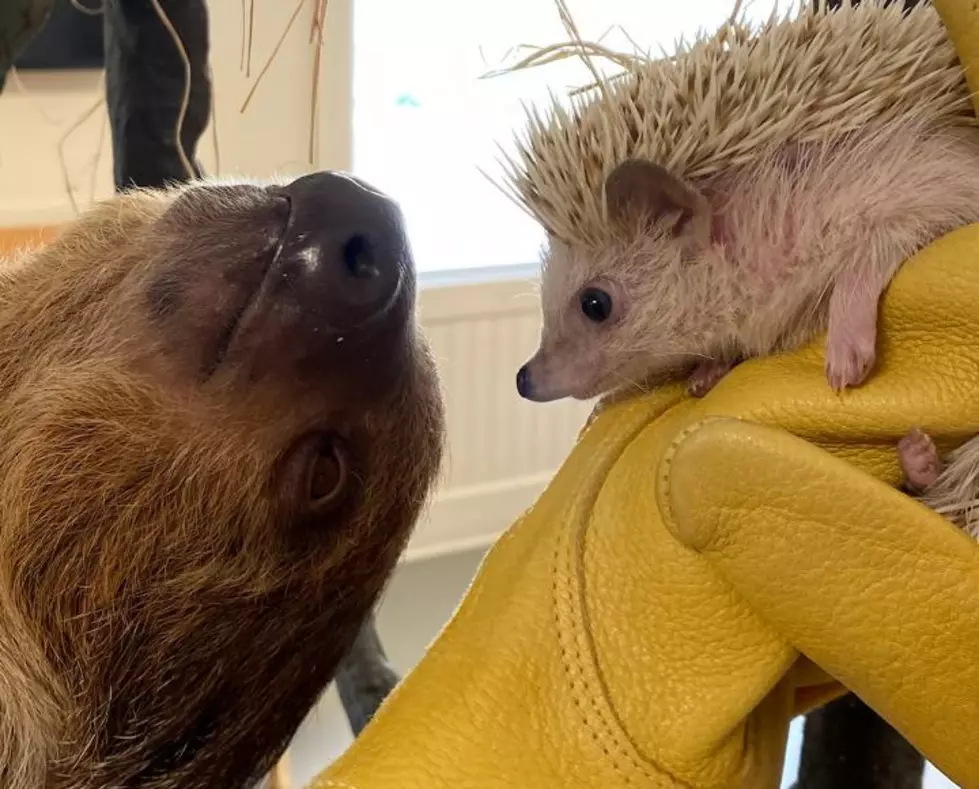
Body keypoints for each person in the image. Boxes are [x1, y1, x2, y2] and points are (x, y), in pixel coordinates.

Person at [303, 0, 979, 786]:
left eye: (596, 310)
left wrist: (865, 279)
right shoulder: (727, 305)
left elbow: (954, 182)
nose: (546, 373)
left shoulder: (799, 205)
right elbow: (761, 327)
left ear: (676, 216)